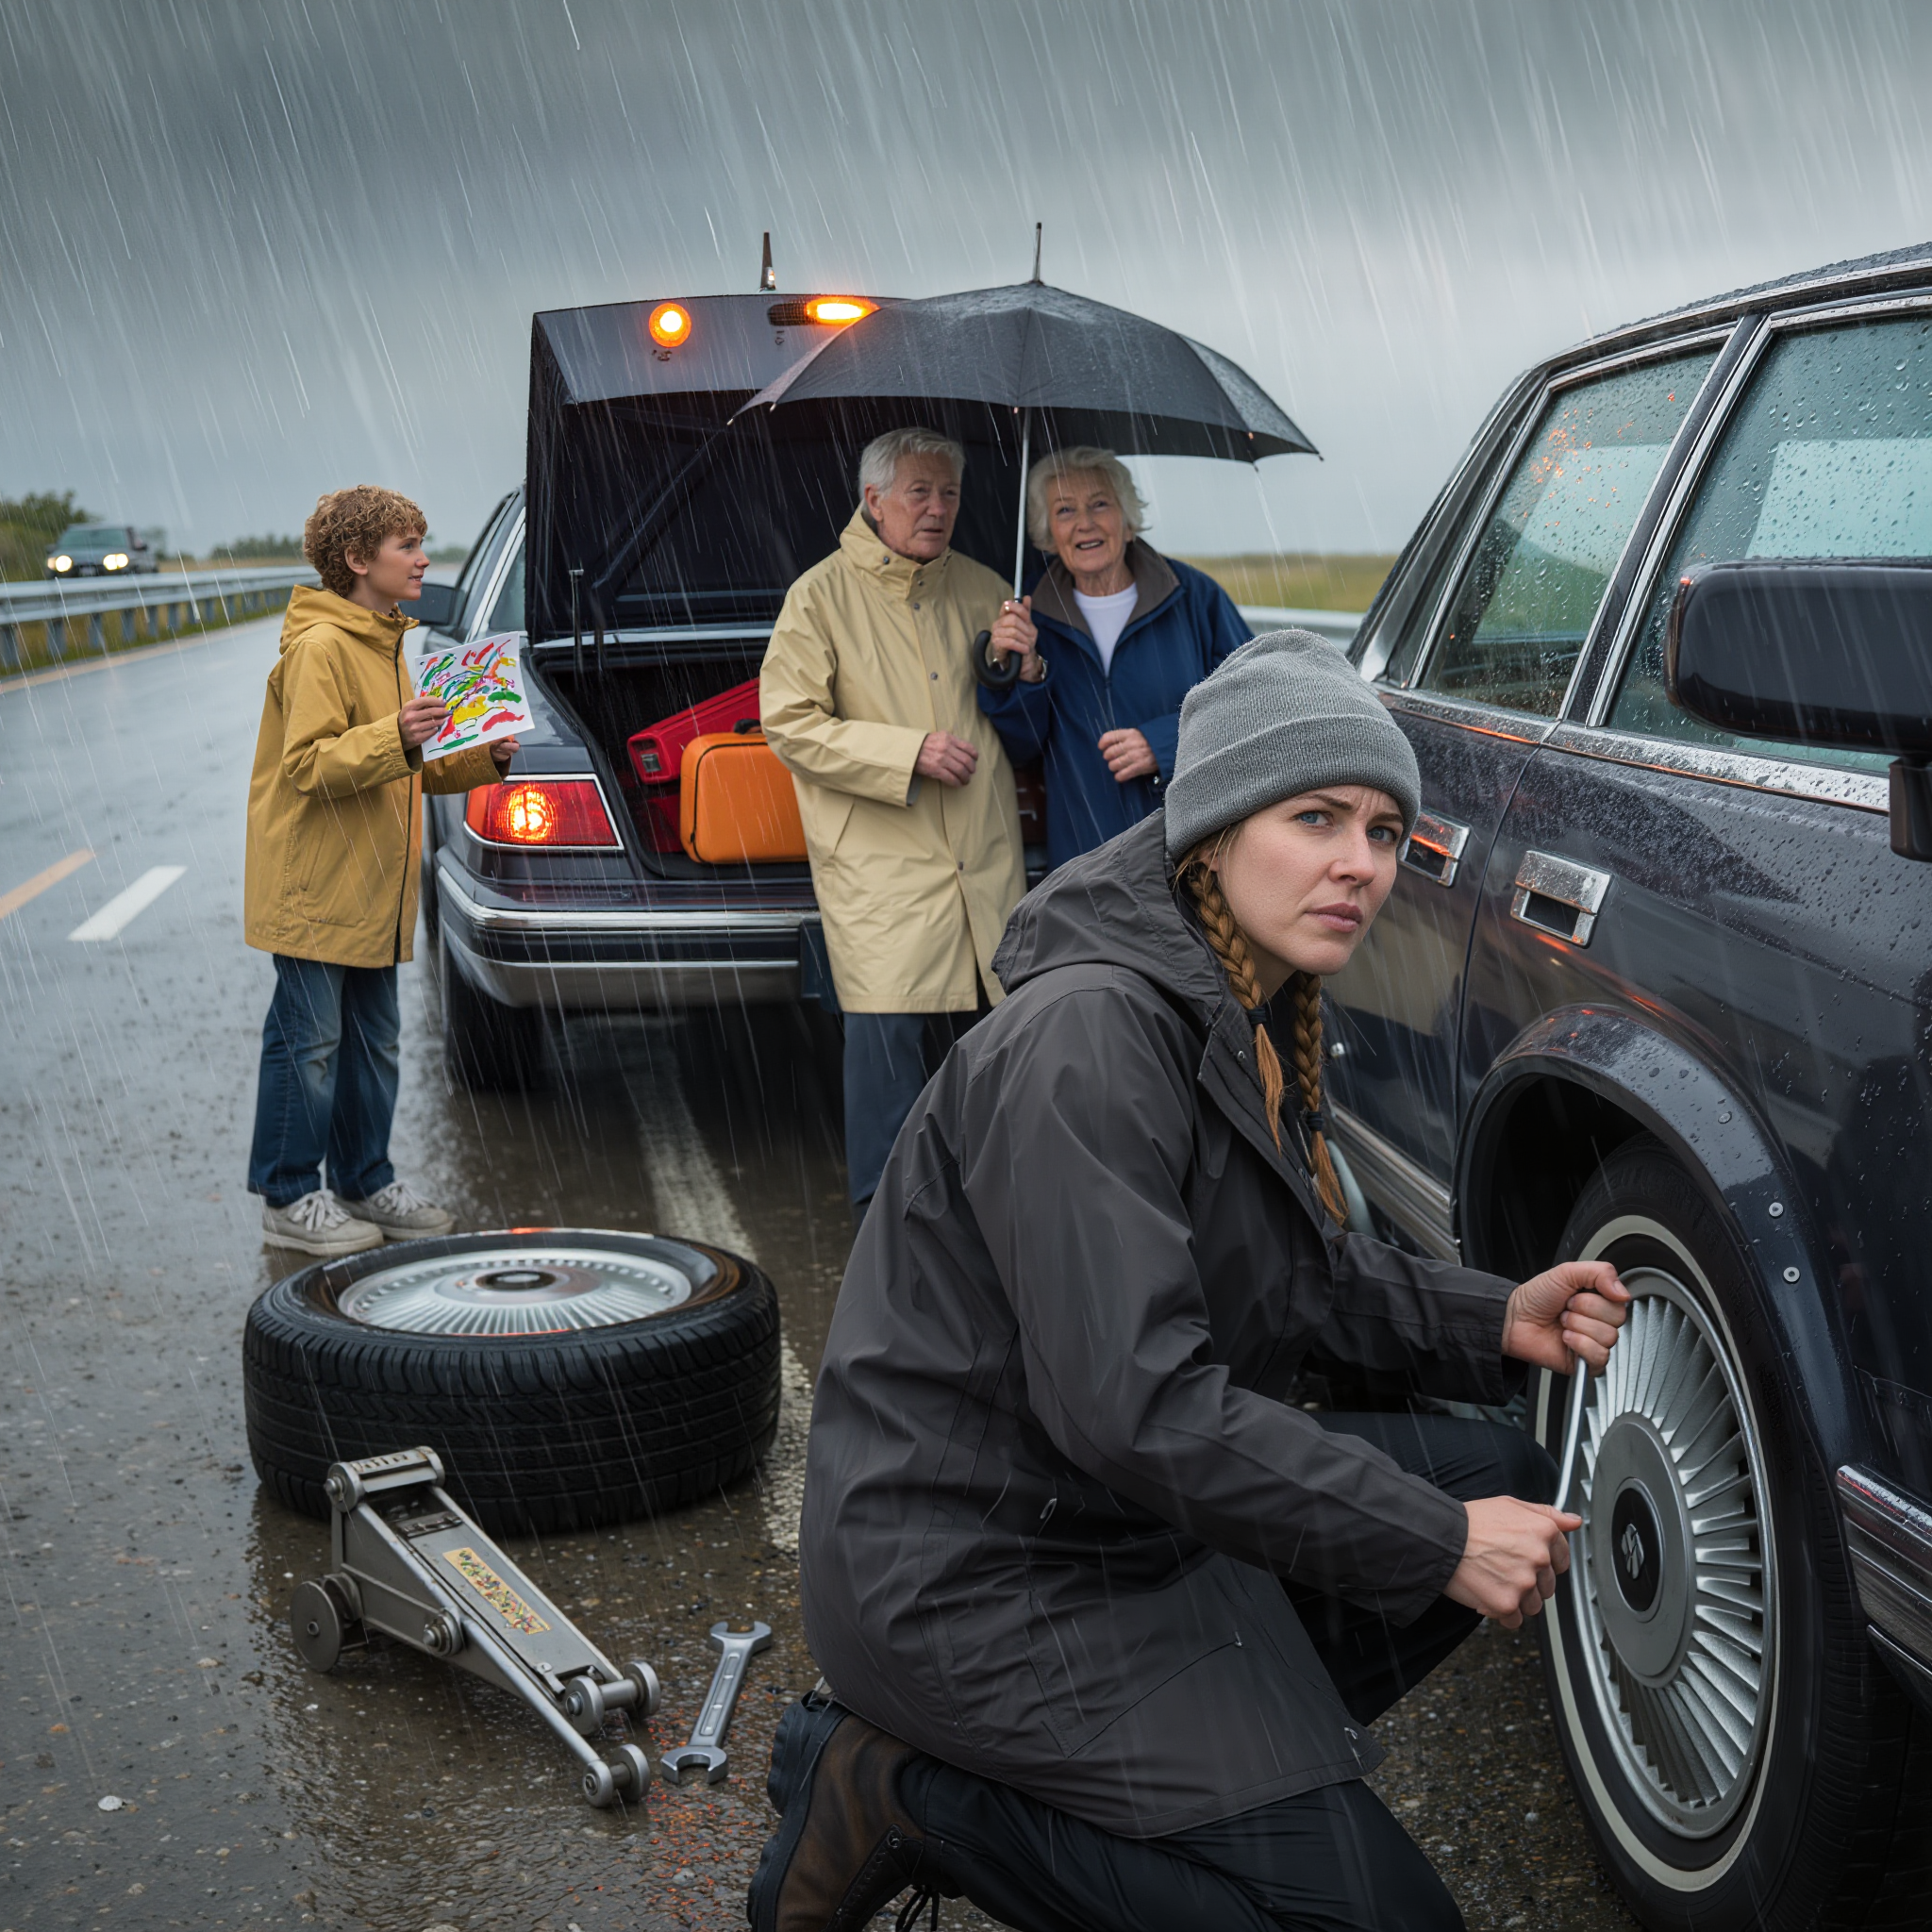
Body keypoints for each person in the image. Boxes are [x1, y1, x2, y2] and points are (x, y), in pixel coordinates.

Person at [749, 632, 1631, 1932]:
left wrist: (1492, 1315)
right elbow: (1137, 1406)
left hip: (1110, 1512)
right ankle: (906, 1790)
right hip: (973, 1571)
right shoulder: (1091, 1038)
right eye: (1315, 817)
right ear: (1212, 835)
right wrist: (1432, 1542)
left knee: (1501, 1473)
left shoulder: (1242, 998)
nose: (1360, 863)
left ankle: (1222, 1767)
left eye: (1384, 830)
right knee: (1380, 1924)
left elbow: (1292, 1275)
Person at [761, 427, 1026, 1220]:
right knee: (887, 1057)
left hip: (982, 857)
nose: (937, 508)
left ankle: (986, 1213)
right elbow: (789, 723)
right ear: (874, 501)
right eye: (919, 492)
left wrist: (1019, 666)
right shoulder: (818, 596)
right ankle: (889, 1229)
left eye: (949, 493)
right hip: (883, 866)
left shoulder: (988, 589)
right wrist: (908, 752)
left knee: (992, 1046)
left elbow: (1023, 719)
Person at [244, 486, 515, 1257]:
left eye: (420, 542)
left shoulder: (387, 645)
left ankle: (364, 1181)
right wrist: (396, 734)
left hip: (371, 886)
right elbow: (309, 765)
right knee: (309, 1044)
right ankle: (288, 1195)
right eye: (408, 546)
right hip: (316, 886)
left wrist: (483, 758)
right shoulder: (322, 649)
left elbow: (409, 761)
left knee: (374, 1044)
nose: (424, 558)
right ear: (359, 560)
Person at [977, 445, 1251, 869]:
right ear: (1048, 533)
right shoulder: (1029, 616)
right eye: (1065, 510)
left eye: (1100, 504)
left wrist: (1165, 744)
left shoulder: (1195, 597)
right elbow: (1019, 746)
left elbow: (1252, 703)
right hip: (1083, 861)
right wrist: (1027, 676)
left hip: (1191, 855)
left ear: (1128, 520)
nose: (1084, 523)